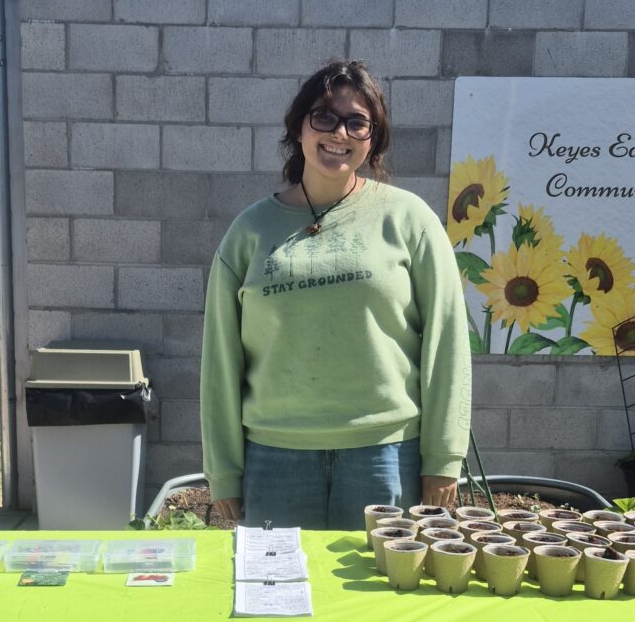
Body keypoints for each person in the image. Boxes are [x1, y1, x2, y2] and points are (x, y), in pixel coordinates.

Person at [200, 59, 471, 530]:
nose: (338, 132)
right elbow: (220, 358)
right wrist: (223, 469)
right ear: (299, 128)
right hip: (275, 456)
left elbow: (447, 343)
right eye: (324, 116)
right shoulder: (249, 231)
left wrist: (443, 456)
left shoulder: (409, 220)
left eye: (357, 122)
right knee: (278, 596)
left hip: (385, 454)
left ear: (373, 139)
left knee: (380, 599)